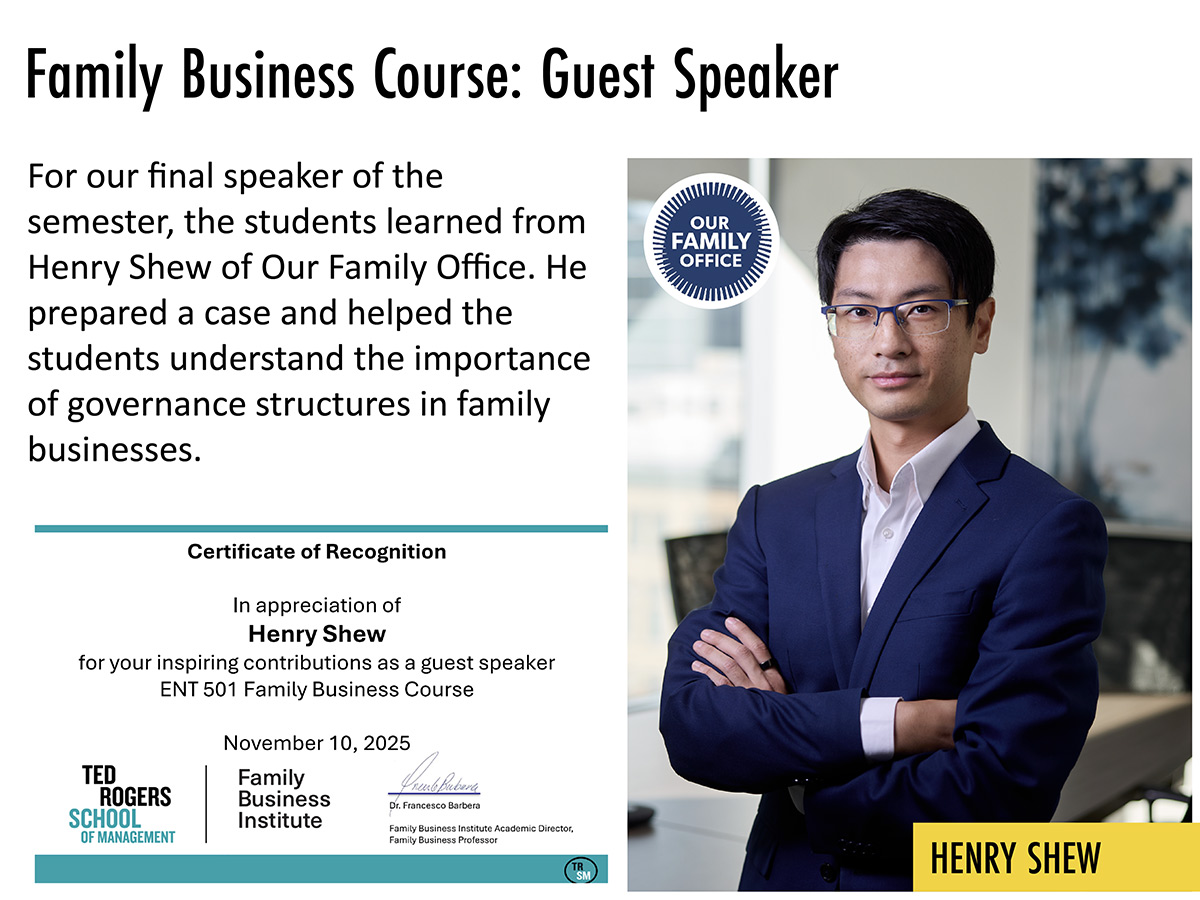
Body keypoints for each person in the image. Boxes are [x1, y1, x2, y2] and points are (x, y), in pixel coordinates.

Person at [659, 189, 1107, 891]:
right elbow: (695, 726)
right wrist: (900, 725)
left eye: (922, 309)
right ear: (833, 326)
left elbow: (1002, 785)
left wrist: (804, 784)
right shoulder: (774, 513)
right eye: (859, 311)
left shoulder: (1046, 525)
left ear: (980, 323)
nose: (887, 341)